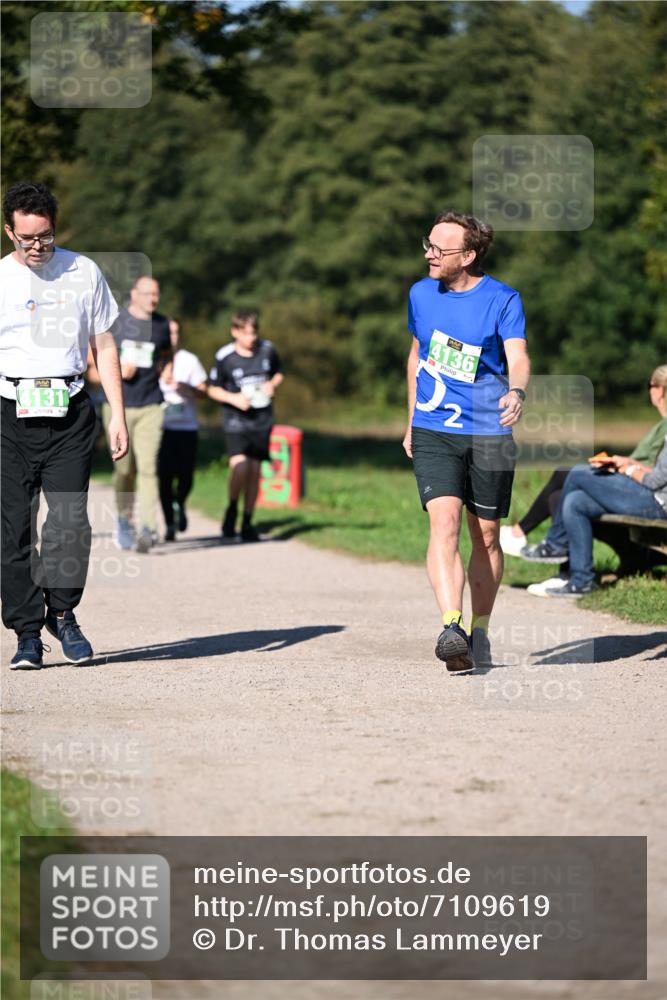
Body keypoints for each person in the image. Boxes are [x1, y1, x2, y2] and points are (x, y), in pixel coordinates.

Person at [1, 180, 128, 669]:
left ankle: (64, 613)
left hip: (71, 410)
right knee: (12, 530)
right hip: (9, 413)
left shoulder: (84, 271)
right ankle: (27, 634)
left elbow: (106, 345)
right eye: (27, 238)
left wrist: (117, 413)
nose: (37, 247)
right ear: (8, 231)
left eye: (46, 237)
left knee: (70, 523)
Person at [403, 210, 530, 671]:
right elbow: (417, 355)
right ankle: (451, 626)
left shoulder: (502, 298)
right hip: (435, 427)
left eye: (439, 248)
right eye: (428, 244)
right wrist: (410, 417)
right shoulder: (420, 293)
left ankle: (480, 630)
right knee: (444, 525)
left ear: (469, 255)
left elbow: (517, 356)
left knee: (488, 537)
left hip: (489, 431)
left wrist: (517, 391)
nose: (429, 254)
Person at [500, 364, 667, 569]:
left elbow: (658, 475)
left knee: (571, 472)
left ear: (659, 389)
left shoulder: (665, 426)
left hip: (643, 489)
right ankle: (569, 569)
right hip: (636, 481)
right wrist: (626, 463)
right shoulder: (661, 425)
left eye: (649, 385)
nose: (649, 390)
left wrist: (629, 468)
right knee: (560, 495)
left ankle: (536, 539)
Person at [520, 432, 667, 597]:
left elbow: (654, 482)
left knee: (577, 473)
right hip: (655, 498)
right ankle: (582, 581)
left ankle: (556, 544)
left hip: (657, 504)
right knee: (576, 501)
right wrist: (631, 463)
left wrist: (629, 469)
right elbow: (662, 474)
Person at [89, 275, 171, 553]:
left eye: (157, 294)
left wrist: (167, 370)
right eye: (149, 294)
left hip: (150, 406)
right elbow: (90, 368)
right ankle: (124, 520)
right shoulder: (114, 323)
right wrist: (117, 371)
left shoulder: (161, 325)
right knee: (124, 470)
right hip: (117, 407)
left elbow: (165, 354)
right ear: (134, 294)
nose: (154, 299)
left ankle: (148, 527)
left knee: (148, 468)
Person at [207, 310, 283, 542]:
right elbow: (212, 388)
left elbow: (278, 373)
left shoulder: (268, 349)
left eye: (254, 333)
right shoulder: (225, 356)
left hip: (262, 419)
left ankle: (247, 521)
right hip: (235, 420)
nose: (251, 338)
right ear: (235, 332)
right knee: (240, 467)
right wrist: (234, 399)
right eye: (246, 333)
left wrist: (272, 384)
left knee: (255, 470)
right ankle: (232, 509)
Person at [158, 318, 208, 541]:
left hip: (187, 428)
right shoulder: (154, 361)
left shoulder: (189, 360)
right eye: (168, 332)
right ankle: (169, 523)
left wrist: (185, 387)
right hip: (160, 429)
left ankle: (180, 502)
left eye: (176, 332)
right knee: (164, 478)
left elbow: (204, 391)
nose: (172, 336)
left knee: (186, 476)